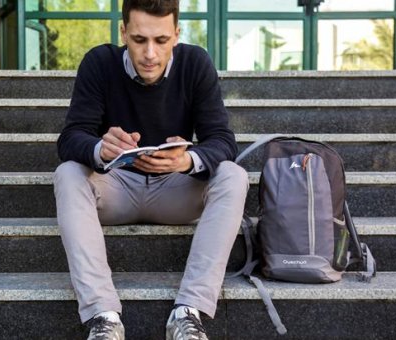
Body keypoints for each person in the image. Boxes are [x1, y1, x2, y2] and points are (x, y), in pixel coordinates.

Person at [54, 0, 249, 339]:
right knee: (69, 173)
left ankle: (189, 311)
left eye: (161, 40)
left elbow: (222, 140)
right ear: (123, 32)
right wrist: (101, 148)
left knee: (234, 174)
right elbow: (71, 138)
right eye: (139, 39)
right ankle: (103, 316)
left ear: (176, 34)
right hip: (116, 190)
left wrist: (187, 160)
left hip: (175, 190)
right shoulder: (99, 63)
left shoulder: (195, 63)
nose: (150, 53)